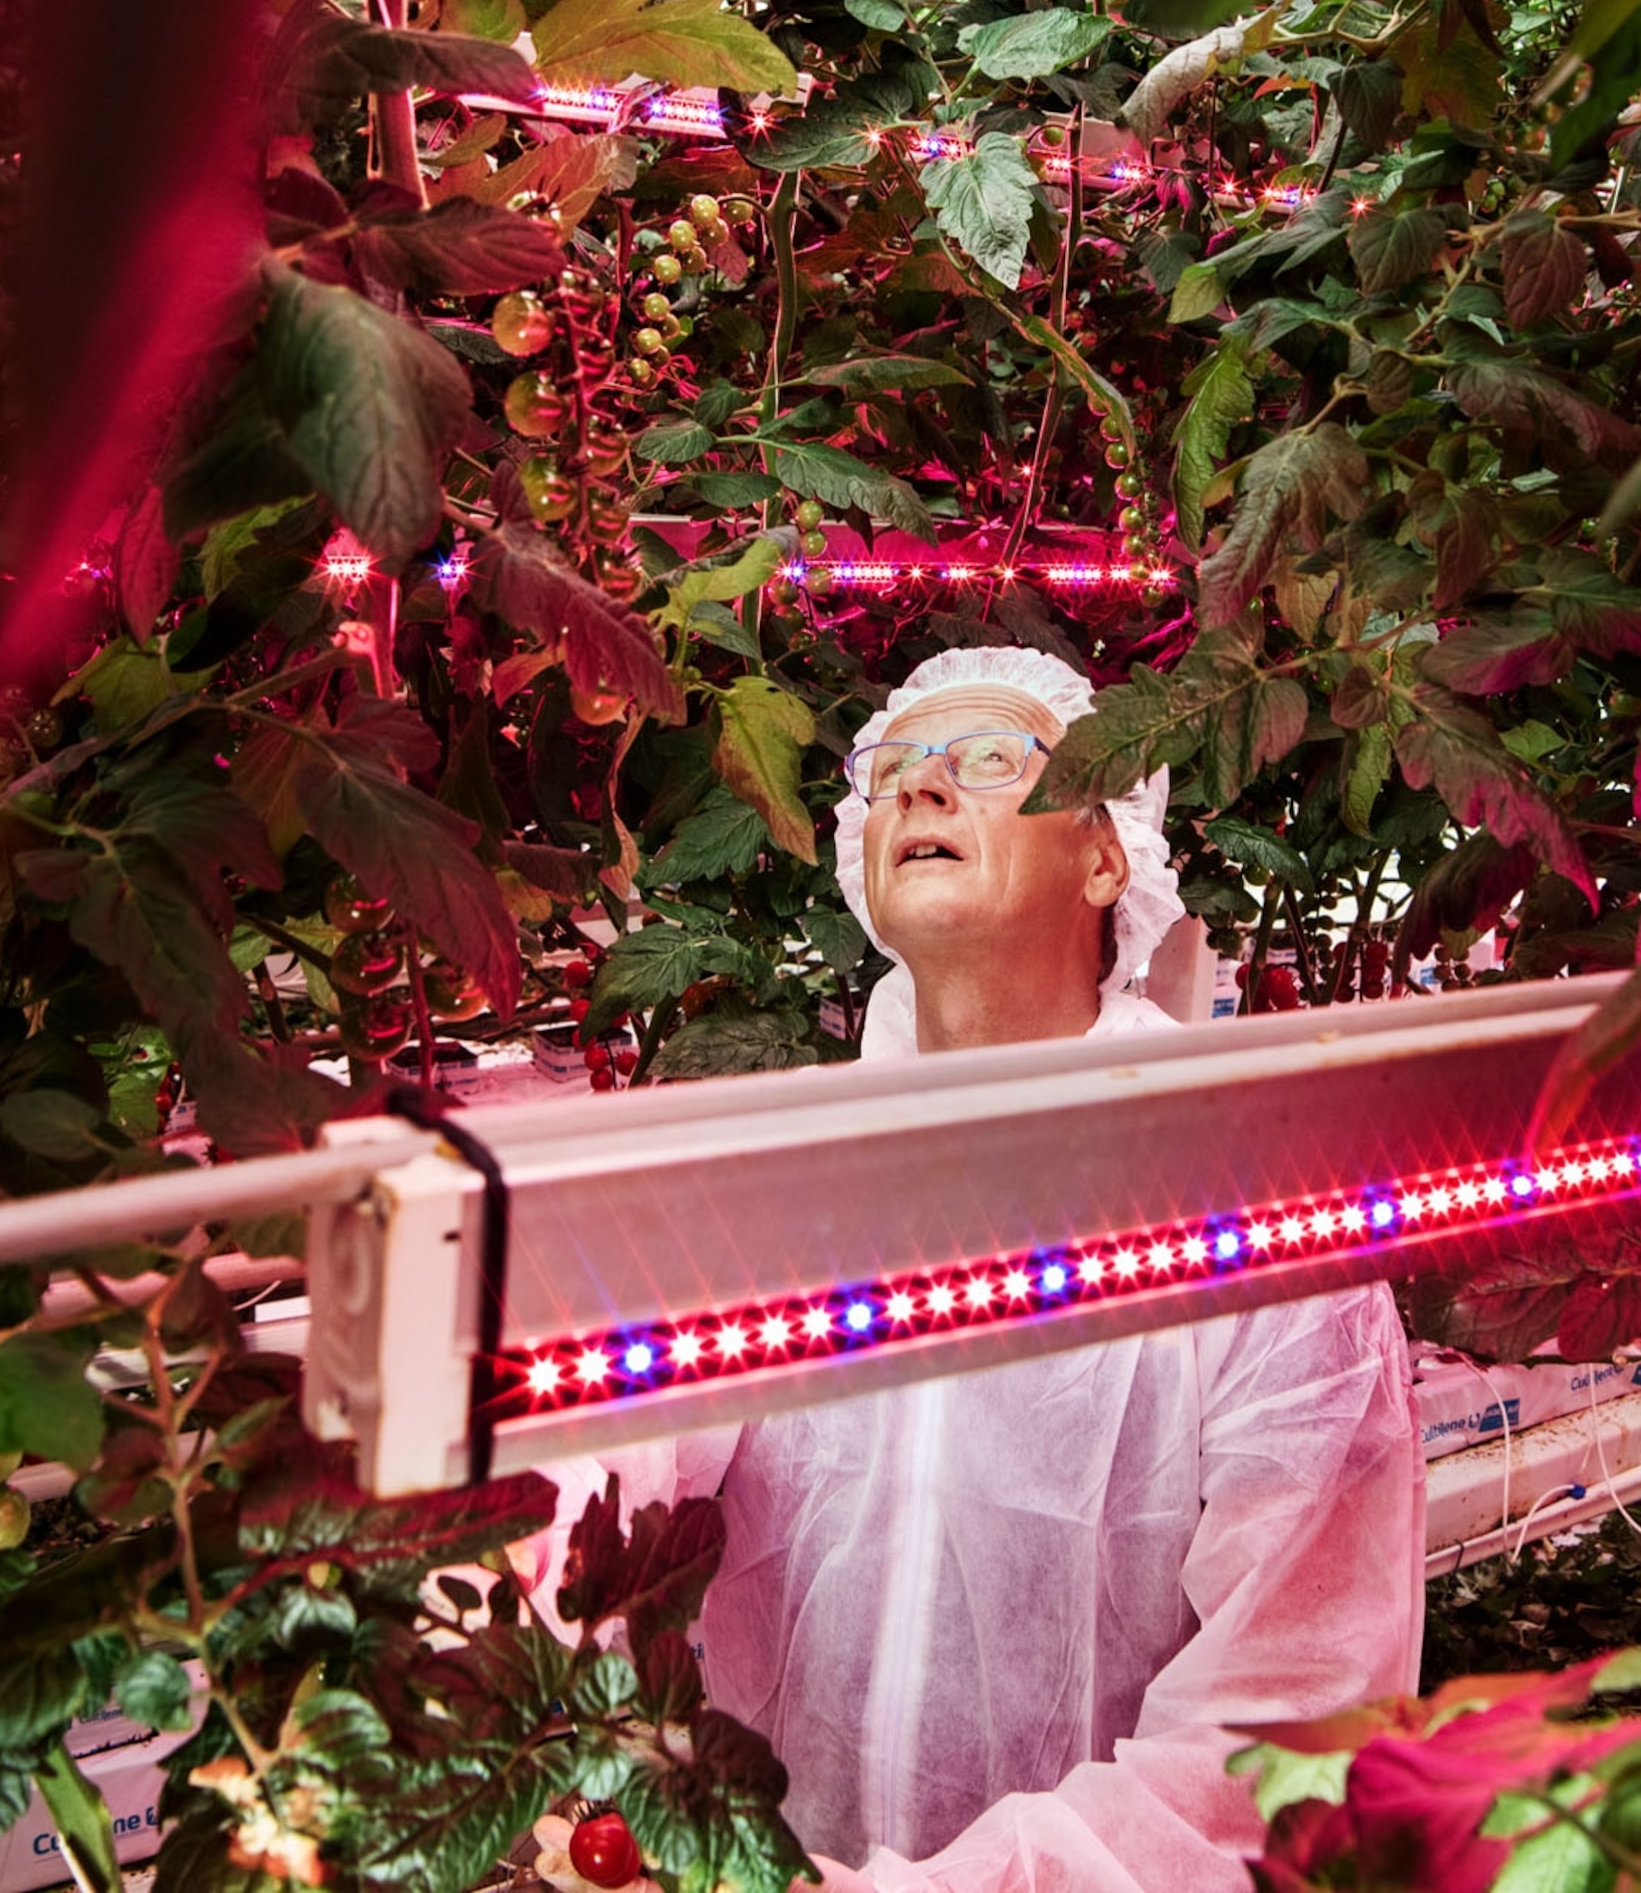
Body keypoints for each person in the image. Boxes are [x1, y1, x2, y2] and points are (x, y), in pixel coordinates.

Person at [538, 647, 1423, 1893]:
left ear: (1109, 856)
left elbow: (1289, 1717)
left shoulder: (1255, 1214)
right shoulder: (771, 1181)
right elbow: (604, 1454)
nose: (923, 792)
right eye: (893, 771)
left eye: (992, 761)